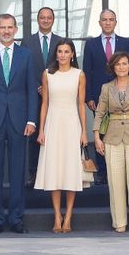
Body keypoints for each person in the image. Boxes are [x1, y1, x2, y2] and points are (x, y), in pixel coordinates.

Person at [0, 13, 38, 234]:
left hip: (20, 121)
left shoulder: (26, 55)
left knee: (17, 173)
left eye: (10, 27)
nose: (6, 31)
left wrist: (32, 119)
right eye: (2, 27)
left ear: (16, 29)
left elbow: (32, 89)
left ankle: (17, 218)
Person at [93, 51, 129, 233]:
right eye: (118, 64)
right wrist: (96, 137)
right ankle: (119, 222)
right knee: (115, 181)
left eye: (124, 64)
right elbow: (100, 113)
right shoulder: (106, 88)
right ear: (113, 67)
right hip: (112, 137)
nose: (121, 67)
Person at [35, 38, 87, 233]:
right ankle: (57, 215)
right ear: (56, 54)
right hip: (53, 124)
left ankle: (69, 216)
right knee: (55, 170)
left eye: (67, 51)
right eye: (60, 51)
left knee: (71, 171)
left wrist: (84, 131)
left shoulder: (79, 74)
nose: (63, 55)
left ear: (72, 54)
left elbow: (81, 104)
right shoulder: (48, 74)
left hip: (72, 124)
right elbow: (45, 103)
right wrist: (41, 130)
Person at [83, 9, 129, 184]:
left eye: (111, 19)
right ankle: (103, 173)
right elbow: (87, 73)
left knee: (120, 131)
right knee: (102, 133)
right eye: (104, 20)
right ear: (99, 23)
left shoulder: (126, 43)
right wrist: (89, 97)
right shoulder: (91, 44)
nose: (107, 22)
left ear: (115, 22)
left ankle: (120, 171)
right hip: (99, 97)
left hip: (122, 96)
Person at [23, 6, 63, 186]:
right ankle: (34, 174)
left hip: (56, 97)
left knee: (55, 137)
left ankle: (55, 174)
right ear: (37, 20)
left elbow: (66, 68)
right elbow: (24, 69)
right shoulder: (27, 42)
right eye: (42, 17)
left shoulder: (61, 42)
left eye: (49, 17)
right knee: (34, 137)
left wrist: (49, 87)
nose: (45, 20)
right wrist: (38, 87)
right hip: (33, 97)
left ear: (53, 20)